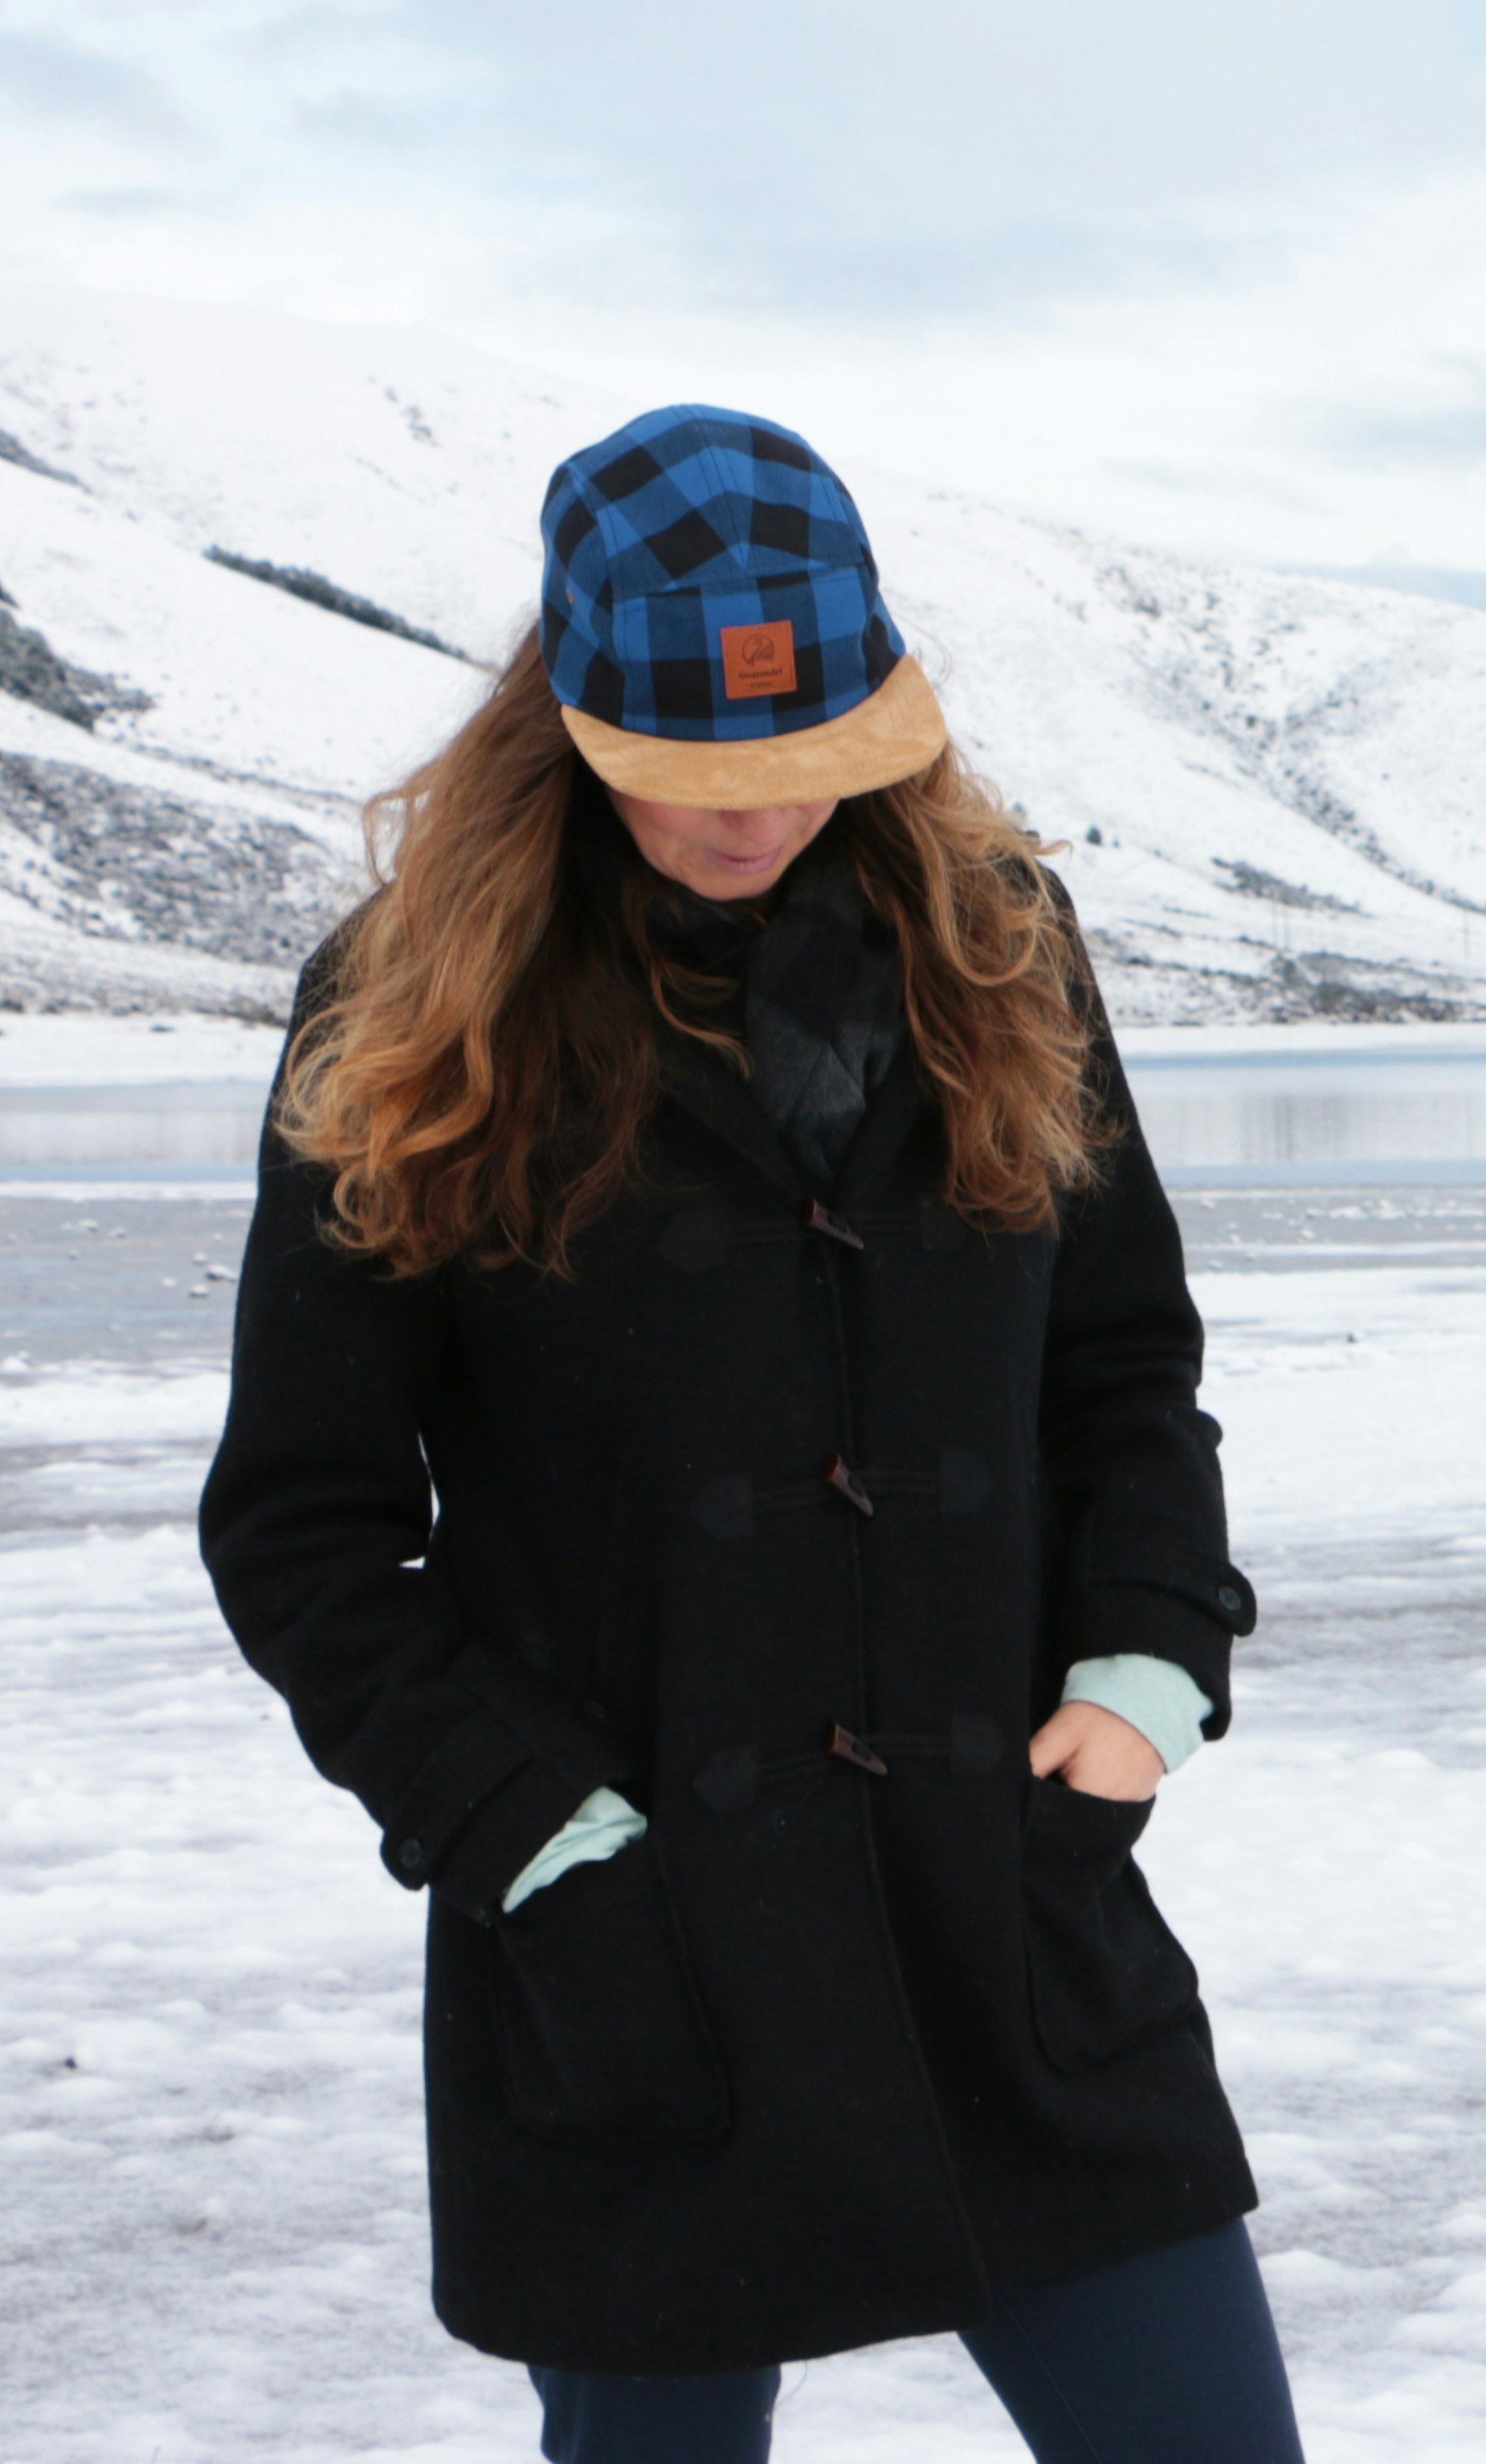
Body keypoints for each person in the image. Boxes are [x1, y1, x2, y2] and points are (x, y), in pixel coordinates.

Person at [198, 406, 1300, 2464]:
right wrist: (536, 1835)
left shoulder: (996, 943)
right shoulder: (414, 1008)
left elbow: (1121, 1368)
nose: (761, 813)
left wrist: (1146, 1670)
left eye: (811, 756)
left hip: (1010, 1910)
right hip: (643, 1959)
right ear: (571, 715)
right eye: (697, 770)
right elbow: (303, 1525)